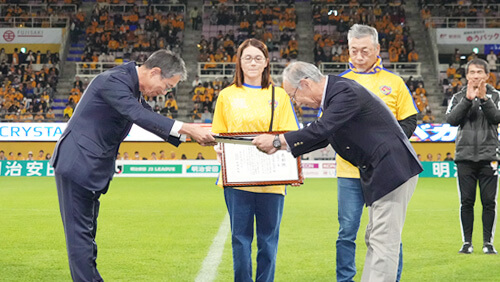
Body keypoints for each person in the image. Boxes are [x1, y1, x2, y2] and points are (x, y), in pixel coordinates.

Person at [50, 50, 216, 282]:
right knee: (80, 236)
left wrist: (193, 135)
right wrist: (188, 129)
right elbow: (137, 114)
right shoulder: (113, 81)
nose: (165, 93)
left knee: (85, 234)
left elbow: (148, 117)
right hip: (78, 163)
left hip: (90, 167)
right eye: (167, 86)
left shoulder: (130, 87)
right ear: (155, 72)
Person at [253, 61, 422, 282]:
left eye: (293, 95)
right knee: (376, 238)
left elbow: (322, 129)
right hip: (384, 170)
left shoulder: (344, 92)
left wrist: (278, 141)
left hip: (391, 171)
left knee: (383, 240)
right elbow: (324, 135)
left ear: (305, 84)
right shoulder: (337, 94)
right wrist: (282, 146)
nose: (296, 102)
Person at [332, 24, 418, 282]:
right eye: (354, 51)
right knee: (346, 231)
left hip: (385, 173)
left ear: (377, 49)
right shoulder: (339, 84)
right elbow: (329, 127)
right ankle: (344, 279)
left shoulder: (394, 82)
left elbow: (410, 121)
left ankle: (392, 277)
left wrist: (382, 149)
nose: (359, 56)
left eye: (365, 51)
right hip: (349, 171)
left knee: (388, 231)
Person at [212, 38, 299, 282]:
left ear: (266, 63)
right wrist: (219, 149)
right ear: (239, 62)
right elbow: (219, 135)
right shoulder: (226, 96)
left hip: (272, 179)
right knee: (240, 239)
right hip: (237, 180)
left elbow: (290, 135)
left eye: (258, 58)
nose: (252, 62)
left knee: (268, 241)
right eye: (247, 57)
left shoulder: (279, 96)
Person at [445, 58, 500, 255]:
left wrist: (485, 99)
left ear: (487, 75)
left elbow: (497, 118)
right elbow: (451, 120)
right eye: (472, 72)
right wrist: (467, 100)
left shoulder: (496, 95)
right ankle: (467, 243)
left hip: (489, 156)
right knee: (466, 202)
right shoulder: (458, 96)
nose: (476, 76)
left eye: (479, 72)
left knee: (489, 202)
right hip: (465, 157)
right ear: (467, 75)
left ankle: (488, 243)